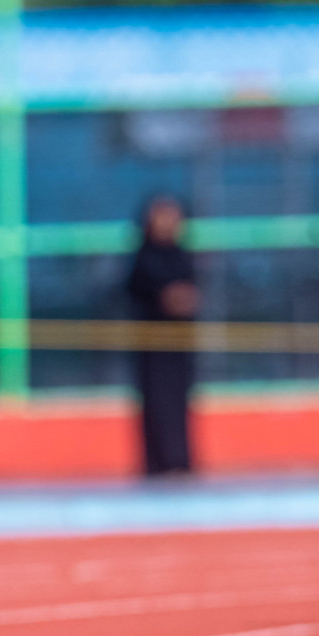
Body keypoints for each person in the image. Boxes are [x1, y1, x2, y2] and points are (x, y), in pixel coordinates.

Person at [126, 195, 200, 477]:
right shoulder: (143, 257)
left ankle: (180, 462)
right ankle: (159, 464)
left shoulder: (182, 256)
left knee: (180, 405)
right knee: (157, 405)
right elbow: (142, 293)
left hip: (179, 347)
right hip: (152, 349)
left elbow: (189, 297)